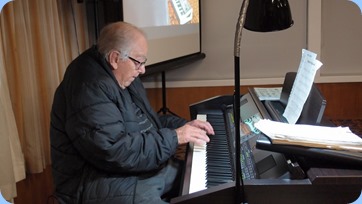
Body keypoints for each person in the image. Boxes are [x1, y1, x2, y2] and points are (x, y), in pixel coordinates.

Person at [50, 21, 214, 204]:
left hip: (130, 168)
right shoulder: (89, 88)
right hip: (95, 181)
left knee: (203, 186)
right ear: (114, 58)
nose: (142, 70)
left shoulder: (121, 73)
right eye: (139, 62)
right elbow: (116, 151)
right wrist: (175, 137)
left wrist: (183, 127)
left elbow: (146, 124)